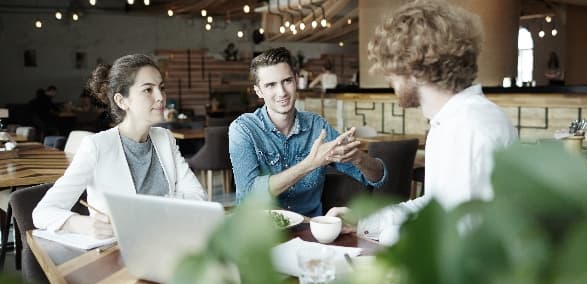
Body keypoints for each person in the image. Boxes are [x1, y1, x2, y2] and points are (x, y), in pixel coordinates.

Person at [327, 0, 517, 244]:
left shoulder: (469, 128)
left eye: (392, 73)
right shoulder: (449, 121)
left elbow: (461, 236)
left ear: (415, 71)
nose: (390, 83)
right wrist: (364, 222)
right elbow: (433, 206)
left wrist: (387, 235)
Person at [33, 54, 205, 238]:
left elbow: (198, 197)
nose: (160, 97)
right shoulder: (96, 146)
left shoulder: (165, 138)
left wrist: (153, 212)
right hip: (118, 254)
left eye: (161, 88)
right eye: (148, 90)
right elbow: (43, 212)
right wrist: (82, 225)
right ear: (122, 101)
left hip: (167, 241)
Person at [229, 47, 387, 217]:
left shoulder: (317, 127)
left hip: (308, 232)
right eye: (271, 85)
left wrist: (358, 157)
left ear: (296, 81)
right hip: (258, 233)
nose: (281, 92)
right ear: (259, 91)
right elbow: (248, 194)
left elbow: (376, 179)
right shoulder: (243, 129)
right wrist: (311, 163)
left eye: (287, 81)